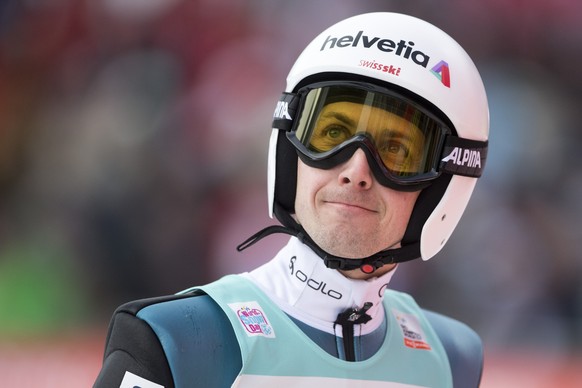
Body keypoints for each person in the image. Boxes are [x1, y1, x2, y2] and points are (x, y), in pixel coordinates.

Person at [94, 12, 489, 388]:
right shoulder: (176, 339)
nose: (356, 170)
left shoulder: (452, 359)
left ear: (444, 185)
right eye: (332, 134)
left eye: (397, 151)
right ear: (289, 154)